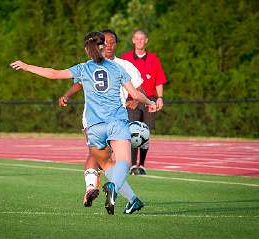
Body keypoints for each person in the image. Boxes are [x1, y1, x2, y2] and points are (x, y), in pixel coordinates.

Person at [10, 31, 157, 215]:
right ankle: (112, 187)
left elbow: (54, 74)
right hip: (116, 122)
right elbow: (135, 95)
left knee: (106, 164)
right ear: (103, 46)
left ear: (87, 50)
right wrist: (150, 102)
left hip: (94, 127)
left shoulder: (83, 68)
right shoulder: (117, 68)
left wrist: (26, 66)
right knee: (124, 162)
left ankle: (133, 199)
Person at [59, 29, 146, 214]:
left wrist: (136, 100)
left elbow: (139, 90)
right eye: (105, 42)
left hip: (108, 120)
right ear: (99, 45)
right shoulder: (112, 67)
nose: (108, 45)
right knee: (111, 162)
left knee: (109, 163)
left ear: (116, 44)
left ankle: (125, 197)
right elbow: (80, 83)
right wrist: (148, 102)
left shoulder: (122, 65)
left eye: (112, 42)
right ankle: (106, 190)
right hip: (106, 120)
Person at [121, 30, 167, 175]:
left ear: (146, 40)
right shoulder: (125, 58)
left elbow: (159, 80)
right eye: (137, 39)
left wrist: (160, 98)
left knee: (145, 133)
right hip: (131, 100)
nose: (140, 41)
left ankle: (142, 165)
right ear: (133, 40)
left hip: (149, 100)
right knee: (133, 131)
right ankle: (133, 165)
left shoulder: (154, 59)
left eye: (142, 39)